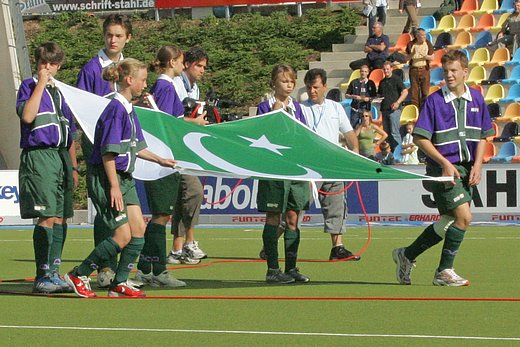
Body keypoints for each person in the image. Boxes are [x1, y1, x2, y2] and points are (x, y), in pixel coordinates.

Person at [64, 59, 177, 298]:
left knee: (138, 231)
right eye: (143, 80)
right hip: (109, 179)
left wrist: (161, 160)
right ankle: (79, 273)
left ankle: (120, 282)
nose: (145, 85)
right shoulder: (115, 109)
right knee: (123, 235)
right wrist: (114, 187)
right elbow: (108, 153)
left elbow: (135, 147)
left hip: (125, 178)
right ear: (129, 80)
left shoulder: (128, 108)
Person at [392, 50, 494, 287]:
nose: (449, 75)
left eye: (454, 70)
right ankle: (443, 271)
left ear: (465, 73)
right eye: (446, 71)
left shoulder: (477, 99)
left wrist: (478, 165)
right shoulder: (435, 101)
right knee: (463, 217)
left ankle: (406, 255)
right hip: (443, 170)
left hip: (467, 168)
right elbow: (420, 138)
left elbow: (483, 136)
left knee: (449, 219)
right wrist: (445, 164)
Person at [134, 46, 204, 288]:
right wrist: (192, 122)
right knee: (161, 215)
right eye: (181, 61)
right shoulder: (165, 87)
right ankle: (157, 270)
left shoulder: (163, 87)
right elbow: (163, 124)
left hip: (164, 159)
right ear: (173, 62)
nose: (183, 66)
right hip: (163, 160)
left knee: (161, 215)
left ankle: (145, 269)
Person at [16, 42, 78, 294]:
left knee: (62, 216)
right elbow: (27, 116)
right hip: (39, 156)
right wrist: (41, 82)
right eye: (43, 63)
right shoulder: (28, 86)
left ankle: (54, 270)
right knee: (47, 216)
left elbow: (71, 133)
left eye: (52, 64)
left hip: (61, 157)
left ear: (59, 66)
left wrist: (73, 167)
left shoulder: (62, 93)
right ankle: (42, 275)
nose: (47, 68)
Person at [76, 14, 133, 289]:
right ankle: (104, 267)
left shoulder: (129, 69)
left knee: (125, 212)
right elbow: (80, 109)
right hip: (100, 150)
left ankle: (123, 271)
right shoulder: (90, 69)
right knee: (107, 210)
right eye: (109, 34)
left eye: (118, 35)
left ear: (127, 38)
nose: (113, 40)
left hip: (124, 151)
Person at [256, 64, 310, 284]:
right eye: (284, 81)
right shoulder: (264, 107)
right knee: (273, 217)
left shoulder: (297, 108)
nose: (288, 85)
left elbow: (304, 135)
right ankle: (272, 269)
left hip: (294, 168)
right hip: (273, 169)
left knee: (293, 218)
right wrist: (274, 114)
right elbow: (260, 135)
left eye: (291, 81)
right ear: (274, 83)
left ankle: (291, 267)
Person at [302, 68, 361, 261]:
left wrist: (355, 155)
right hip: (308, 166)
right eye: (309, 87)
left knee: (336, 206)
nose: (312, 91)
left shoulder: (335, 108)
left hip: (332, 165)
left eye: (316, 87)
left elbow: (349, 134)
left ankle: (338, 247)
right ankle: (271, 243)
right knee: (297, 206)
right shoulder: (301, 109)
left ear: (325, 87)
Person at [165, 46, 210, 264]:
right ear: (187, 65)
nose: (202, 70)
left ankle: (179, 247)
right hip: (174, 149)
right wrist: (195, 122)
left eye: (204, 67)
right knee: (193, 192)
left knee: (185, 197)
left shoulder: (195, 89)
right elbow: (170, 118)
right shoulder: (173, 84)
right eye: (198, 66)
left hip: (187, 148)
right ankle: (185, 244)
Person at [378, 61, 408, 151]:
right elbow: (380, 95)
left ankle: (398, 153)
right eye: (384, 69)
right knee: (386, 133)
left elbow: (405, 92)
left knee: (395, 132)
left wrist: (397, 102)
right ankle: (389, 153)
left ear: (391, 69)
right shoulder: (382, 82)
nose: (386, 71)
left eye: (387, 69)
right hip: (384, 109)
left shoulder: (396, 79)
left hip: (394, 110)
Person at [406, 28, 434, 109]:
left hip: (424, 69)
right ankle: (416, 112)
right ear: (417, 36)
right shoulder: (411, 44)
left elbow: (432, 57)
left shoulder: (428, 43)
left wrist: (425, 56)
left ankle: (425, 111)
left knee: (425, 92)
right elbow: (407, 58)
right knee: (414, 93)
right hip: (414, 69)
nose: (424, 37)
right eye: (422, 35)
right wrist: (413, 54)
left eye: (425, 35)